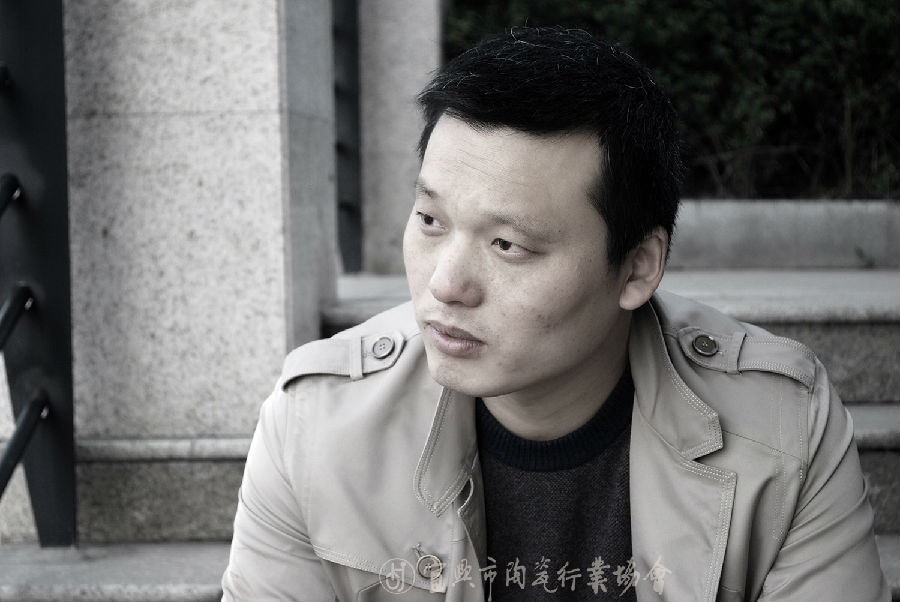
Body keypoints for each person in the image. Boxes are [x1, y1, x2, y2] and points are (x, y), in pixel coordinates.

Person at [221, 27, 889, 601]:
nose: (445, 285)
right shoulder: (315, 428)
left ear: (637, 267)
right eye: (429, 220)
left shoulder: (782, 432)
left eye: (507, 245)